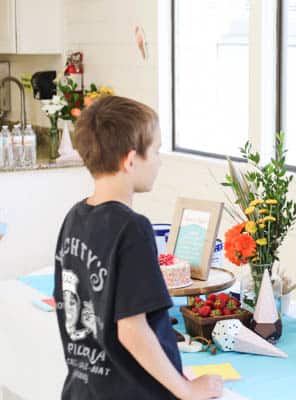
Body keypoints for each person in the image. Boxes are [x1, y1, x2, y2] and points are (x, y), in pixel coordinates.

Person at [53, 96, 223, 399]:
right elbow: (132, 330)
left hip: (83, 389)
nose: (159, 160)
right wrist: (185, 388)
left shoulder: (74, 218)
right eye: (155, 151)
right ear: (130, 160)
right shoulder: (132, 228)